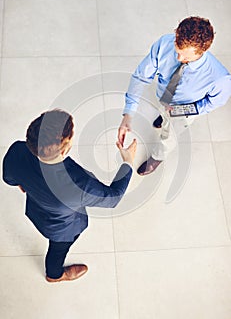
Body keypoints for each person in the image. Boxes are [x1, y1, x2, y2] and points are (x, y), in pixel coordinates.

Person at [3, 109, 137, 283]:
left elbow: (9, 179)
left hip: (36, 211)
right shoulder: (80, 185)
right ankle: (54, 275)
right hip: (62, 229)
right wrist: (127, 162)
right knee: (58, 251)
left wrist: (25, 185)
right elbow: (113, 198)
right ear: (66, 148)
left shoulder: (17, 151)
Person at [118, 16, 231, 176]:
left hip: (183, 113)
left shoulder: (220, 78)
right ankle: (163, 118)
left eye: (185, 57)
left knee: (168, 136)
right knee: (162, 113)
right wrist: (128, 114)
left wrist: (182, 110)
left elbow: (213, 102)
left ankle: (157, 157)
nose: (178, 58)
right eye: (177, 51)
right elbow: (141, 77)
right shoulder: (164, 43)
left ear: (202, 51)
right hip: (163, 97)